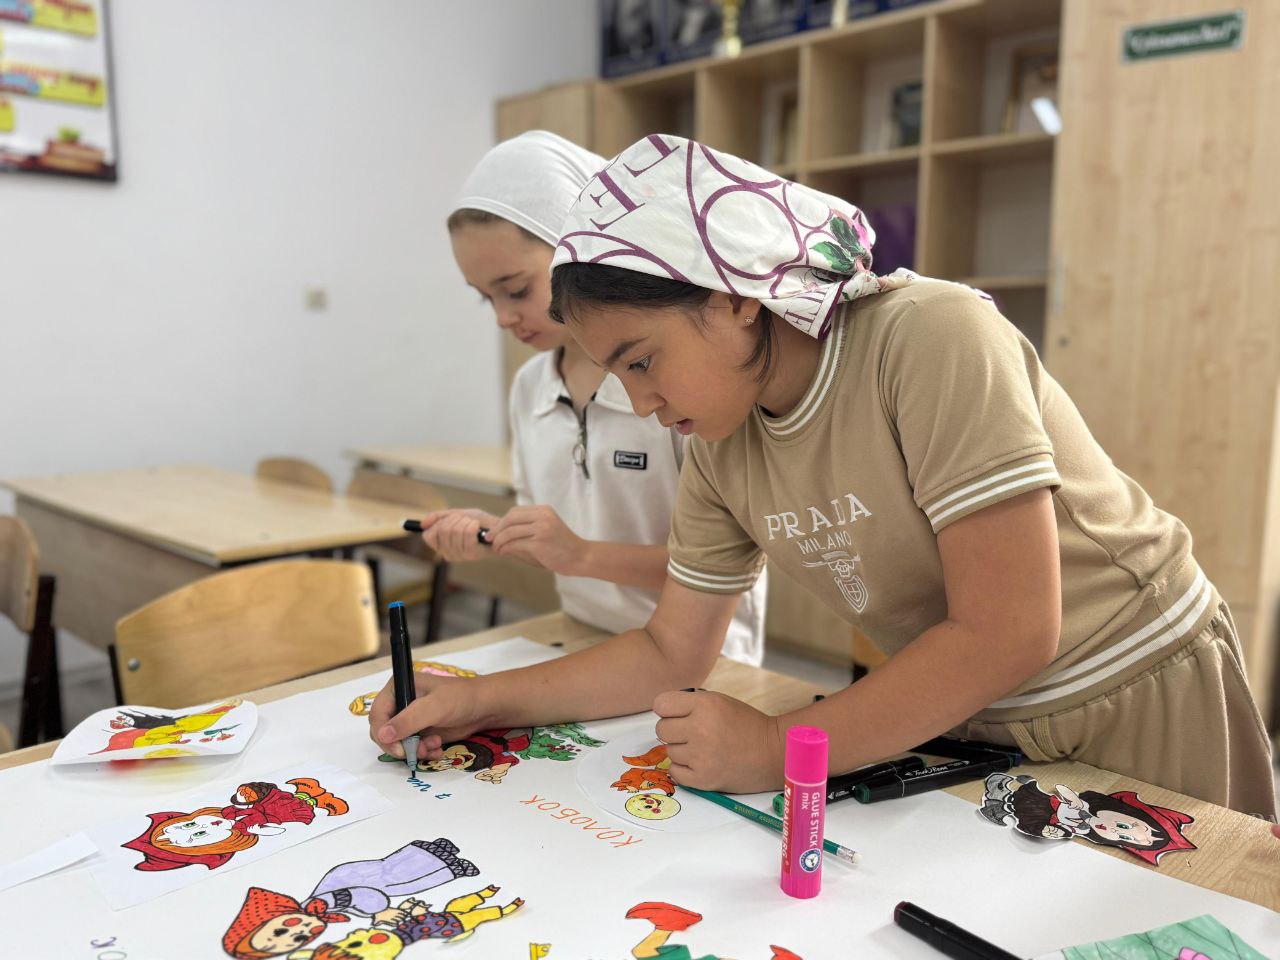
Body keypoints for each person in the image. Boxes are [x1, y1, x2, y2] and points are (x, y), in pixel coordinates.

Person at [374, 135, 1274, 818]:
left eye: (642, 361)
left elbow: (1008, 630)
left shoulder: (928, 338)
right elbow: (670, 650)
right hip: (963, 712)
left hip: (1128, 685)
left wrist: (778, 744)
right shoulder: (721, 442)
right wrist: (477, 701)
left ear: (734, 295)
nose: (641, 403)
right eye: (619, 375)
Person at [421, 131, 765, 664]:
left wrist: (580, 555)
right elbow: (556, 545)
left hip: (704, 661)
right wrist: (497, 533)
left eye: (516, 289)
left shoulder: (680, 380)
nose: (503, 317)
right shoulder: (531, 388)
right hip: (581, 639)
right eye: (486, 298)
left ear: (578, 248)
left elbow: (733, 562)